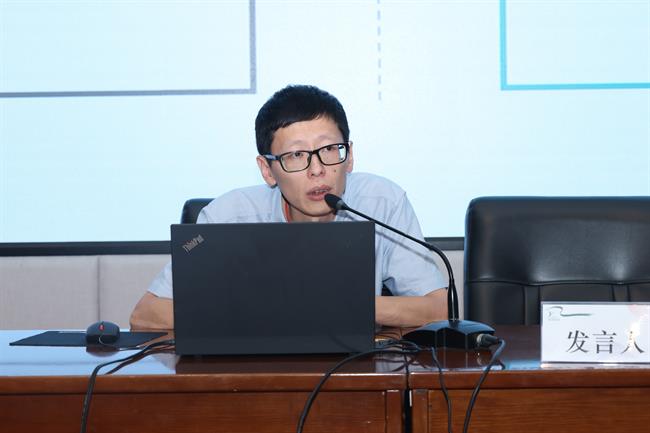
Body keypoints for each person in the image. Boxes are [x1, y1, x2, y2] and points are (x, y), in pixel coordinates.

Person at [130, 85, 448, 329]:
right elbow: (146, 314)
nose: (317, 170)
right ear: (267, 170)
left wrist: (344, 306)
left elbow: (439, 308)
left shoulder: (381, 202)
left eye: (329, 150)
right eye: (296, 155)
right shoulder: (227, 215)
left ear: (349, 156)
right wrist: (270, 308)